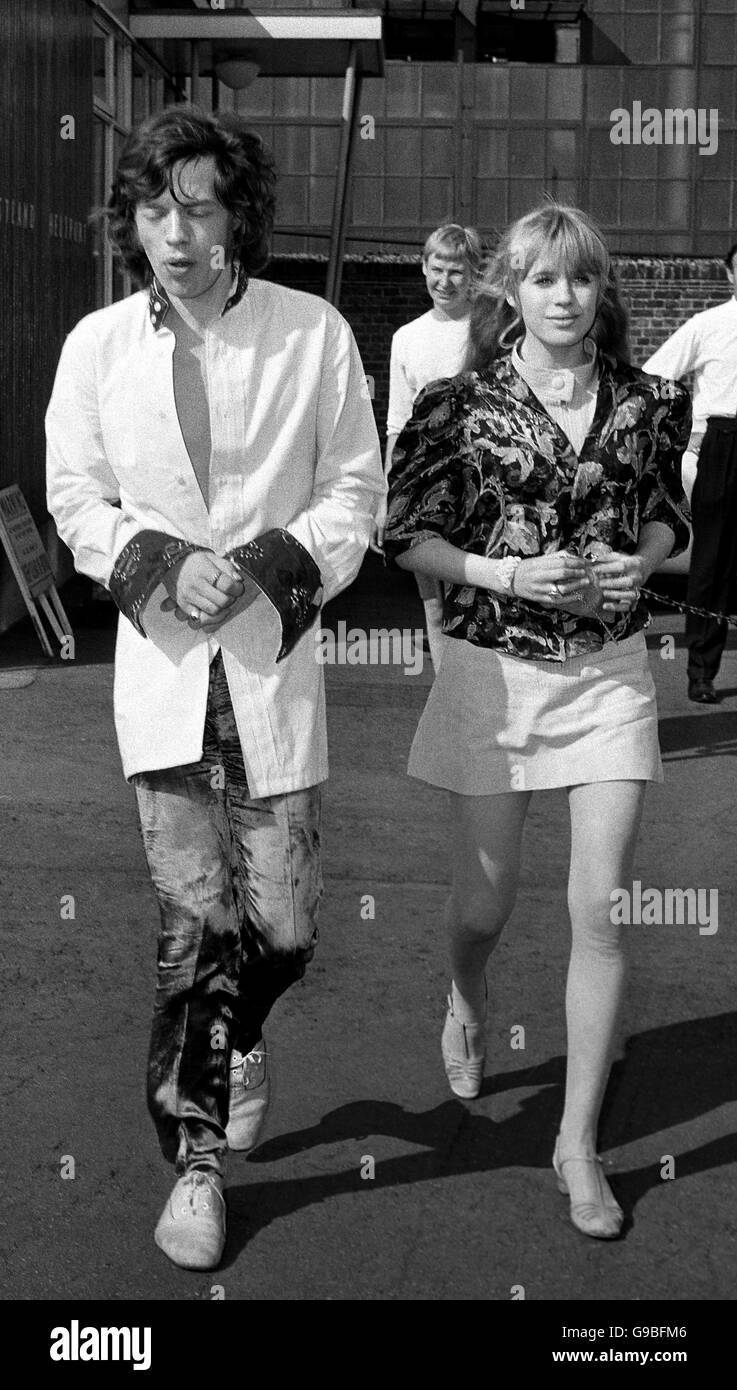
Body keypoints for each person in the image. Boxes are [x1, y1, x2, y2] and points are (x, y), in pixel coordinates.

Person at [46, 104, 384, 1271]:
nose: (174, 233)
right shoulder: (96, 346)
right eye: (152, 208)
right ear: (130, 218)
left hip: (271, 667)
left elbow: (352, 494)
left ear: (239, 213)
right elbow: (75, 496)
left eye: (197, 206)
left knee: (281, 928)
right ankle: (196, 1164)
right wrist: (151, 561)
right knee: (194, 927)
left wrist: (263, 566)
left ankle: (240, 1034)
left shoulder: (312, 334)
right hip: (163, 680)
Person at [383, 203, 691, 1240]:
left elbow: (665, 514)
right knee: (485, 901)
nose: (565, 297)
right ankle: (464, 993)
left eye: (582, 280)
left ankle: (575, 1146)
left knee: (599, 905)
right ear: (506, 290)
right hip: (492, 678)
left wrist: (640, 561)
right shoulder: (456, 404)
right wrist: (505, 570)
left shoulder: (650, 401)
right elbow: (406, 536)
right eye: (545, 279)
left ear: (600, 292)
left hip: (607, 670)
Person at [377, 224, 484, 670]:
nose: (445, 281)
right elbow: (397, 423)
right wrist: (385, 497)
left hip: (480, 475)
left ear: (474, 273)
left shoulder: (490, 330)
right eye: (437, 269)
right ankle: (447, 695)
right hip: (423, 477)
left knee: (477, 591)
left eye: (457, 271)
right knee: (432, 601)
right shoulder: (407, 337)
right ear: (423, 268)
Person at [643, 241, 737, 703]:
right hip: (723, 444)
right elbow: (655, 377)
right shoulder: (709, 325)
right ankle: (701, 671)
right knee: (711, 565)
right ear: (730, 275)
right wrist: (688, 432)